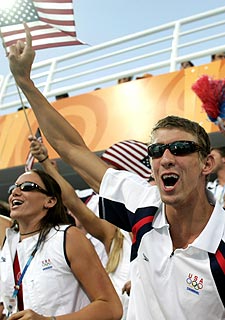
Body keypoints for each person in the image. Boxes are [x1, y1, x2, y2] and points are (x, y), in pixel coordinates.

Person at [8, 24, 225, 319]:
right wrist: (25, 82)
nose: (167, 158)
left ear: (207, 164)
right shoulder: (142, 204)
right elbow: (72, 148)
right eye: (157, 151)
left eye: (181, 148)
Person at [29, 137, 132, 319]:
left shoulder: (165, 236)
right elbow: (73, 202)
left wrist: (144, 284)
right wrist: (46, 163)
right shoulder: (115, 235)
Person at [0, 169, 122, 319]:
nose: (15, 192)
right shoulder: (8, 244)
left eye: (27, 186)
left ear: (50, 201)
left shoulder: (68, 237)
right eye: (14, 188)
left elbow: (111, 307)